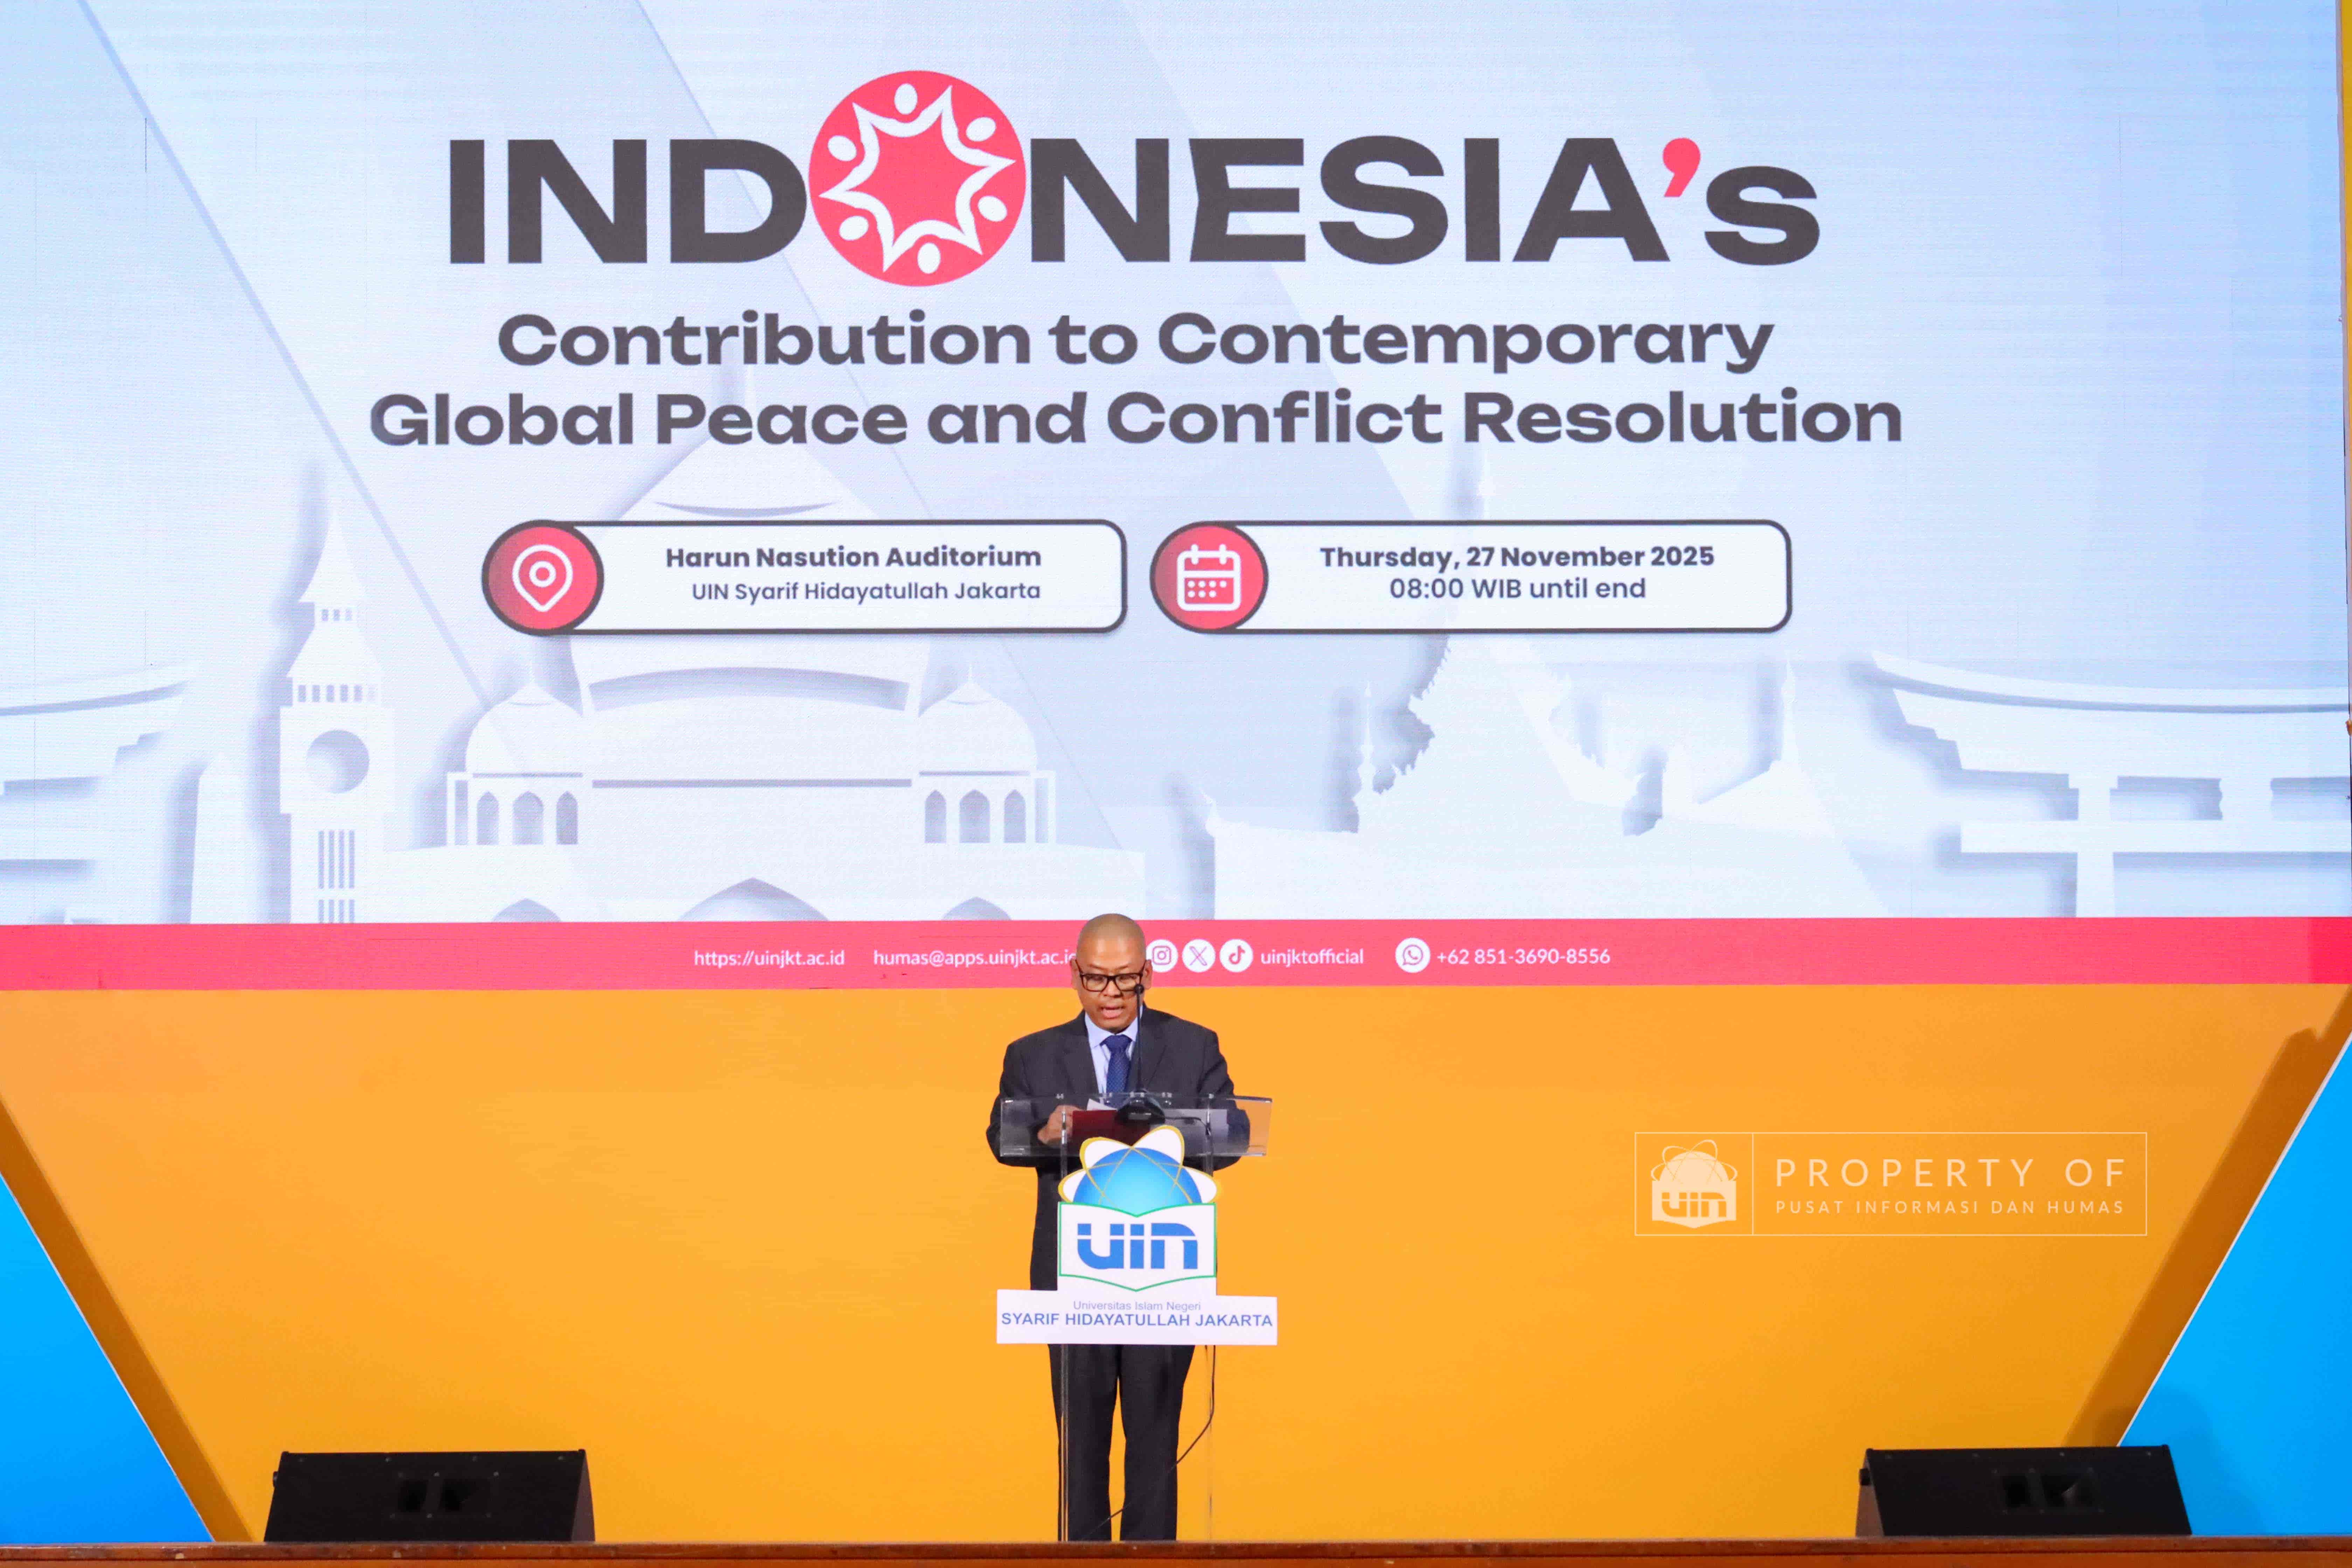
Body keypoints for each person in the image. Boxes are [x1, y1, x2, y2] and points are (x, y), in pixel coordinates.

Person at [985, 912, 1238, 1541]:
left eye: (1127, 979)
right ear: (1073, 974)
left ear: (1148, 973)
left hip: (1165, 1267)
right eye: (1097, 979)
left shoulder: (1194, 1045)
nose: (1112, 994)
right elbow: (1002, 1137)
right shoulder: (1032, 1053)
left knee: (1155, 1437)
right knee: (1081, 1439)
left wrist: (1174, 1129)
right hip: (1075, 1270)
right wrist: (1044, 1132)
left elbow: (1233, 1133)